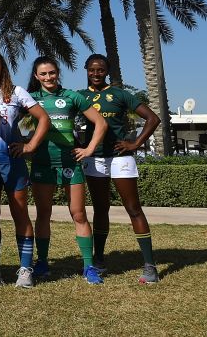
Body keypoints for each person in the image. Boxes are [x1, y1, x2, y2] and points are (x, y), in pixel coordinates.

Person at [0, 49, 51, 289]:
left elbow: (44, 119)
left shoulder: (16, 92)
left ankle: (25, 268)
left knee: (20, 213)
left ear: (2, 66)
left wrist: (30, 145)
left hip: (12, 160)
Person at [80, 54, 161, 284]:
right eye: (92, 69)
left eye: (101, 70)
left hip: (120, 159)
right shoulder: (81, 96)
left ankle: (150, 266)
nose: (96, 73)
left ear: (107, 71)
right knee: (100, 209)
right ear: (86, 69)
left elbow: (152, 118)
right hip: (94, 159)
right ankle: (99, 260)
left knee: (133, 208)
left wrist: (135, 143)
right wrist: (78, 145)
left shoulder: (120, 94)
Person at [26, 56, 108, 285]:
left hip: (71, 163)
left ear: (57, 73)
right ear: (36, 76)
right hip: (43, 162)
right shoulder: (31, 99)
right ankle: (42, 262)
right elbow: (8, 120)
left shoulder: (72, 96)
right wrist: (23, 145)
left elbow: (101, 123)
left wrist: (89, 148)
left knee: (79, 214)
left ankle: (89, 266)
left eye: (51, 73)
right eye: (43, 74)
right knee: (43, 214)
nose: (48, 77)